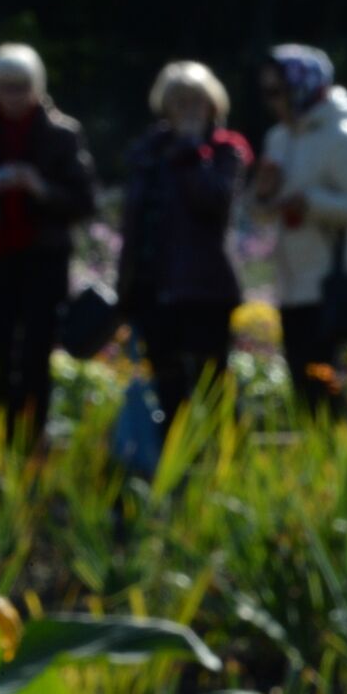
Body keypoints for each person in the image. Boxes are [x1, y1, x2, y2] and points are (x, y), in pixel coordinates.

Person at [0, 42, 96, 438]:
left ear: (37, 85)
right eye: (5, 87)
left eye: (21, 86)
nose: (13, 96)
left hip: (44, 258)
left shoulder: (63, 135)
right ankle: (1, 431)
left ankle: (32, 439)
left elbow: (84, 200)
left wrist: (40, 188)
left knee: (36, 353)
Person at [119, 60, 252, 428]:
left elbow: (214, 202)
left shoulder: (225, 151)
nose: (189, 110)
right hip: (153, 289)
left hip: (205, 289)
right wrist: (126, 286)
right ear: (165, 106)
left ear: (213, 105)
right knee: (167, 384)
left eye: (197, 101)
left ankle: (225, 465)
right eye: (179, 102)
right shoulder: (147, 153)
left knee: (212, 384)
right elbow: (134, 224)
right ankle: (175, 469)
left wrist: (193, 151)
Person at [253, 44, 347, 413]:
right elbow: (261, 213)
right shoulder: (278, 138)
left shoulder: (342, 136)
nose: (272, 101)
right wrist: (262, 195)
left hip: (330, 282)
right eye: (266, 92)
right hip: (290, 283)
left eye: (277, 91)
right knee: (301, 388)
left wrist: (308, 203)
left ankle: (345, 462)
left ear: (302, 86)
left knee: (329, 388)